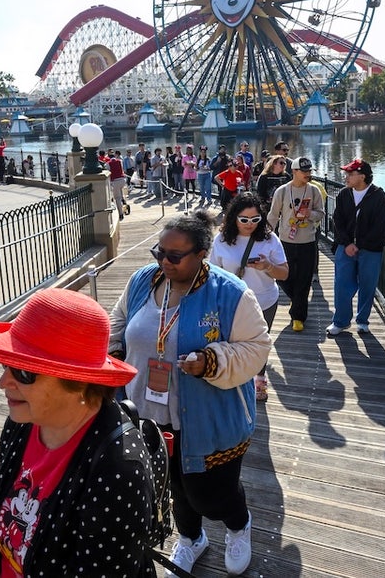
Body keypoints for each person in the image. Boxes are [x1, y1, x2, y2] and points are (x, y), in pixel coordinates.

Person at [108, 211, 271, 576]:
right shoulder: (142, 282)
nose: (164, 261)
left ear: (202, 253)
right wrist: (115, 351)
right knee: (174, 486)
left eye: (174, 256)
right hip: (149, 414)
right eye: (159, 252)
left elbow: (257, 347)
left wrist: (212, 361)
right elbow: (118, 321)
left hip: (210, 418)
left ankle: (237, 524)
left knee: (212, 493)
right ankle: (191, 538)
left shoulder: (231, 294)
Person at [0, 289, 156, 578]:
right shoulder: (22, 421)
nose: (2, 382)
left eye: (24, 372)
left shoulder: (118, 470)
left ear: (79, 382)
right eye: (7, 364)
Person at [208, 192, 289, 402]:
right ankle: (235, 379)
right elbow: (212, 273)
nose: (250, 224)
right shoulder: (222, 240)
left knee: (259, 343)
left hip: (264, 300)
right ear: (234, 217)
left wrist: (267, 266)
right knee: (232, 342)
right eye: (244, 219)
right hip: (231, 303)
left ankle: (260, 378)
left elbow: (285, 273)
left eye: (255, 219)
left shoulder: (270, 239)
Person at [327, 158, 385, 336]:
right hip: (345, 247)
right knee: (341, 284)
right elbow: (337, 220)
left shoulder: (378, 196)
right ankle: (340, 321)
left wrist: (359, 245)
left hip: (370, 249)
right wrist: (347, 243)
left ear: (362, 176)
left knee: (367, 284)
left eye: (350, 174)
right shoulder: (343, 194)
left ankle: (362, 320)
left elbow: (379, 226)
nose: (345, 176)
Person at [266, 157, 325, 332]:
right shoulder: (282, 191)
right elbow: (273, 215)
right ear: (294, 171)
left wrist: (309, 214)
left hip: (307, 241)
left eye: (309, 171)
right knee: (284, 277)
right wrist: (266, 236)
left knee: (304, 279)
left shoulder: (313, 191)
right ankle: (298, 299)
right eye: (304, 171)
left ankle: (298, 317)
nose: (308, 174)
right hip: (286, 240)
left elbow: (320, 213)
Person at [107, 149, 130, 219]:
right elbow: (122, 169)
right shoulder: (120, 161)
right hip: (122, 180)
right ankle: (124, 201)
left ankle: (120, 214)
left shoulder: (108, 163)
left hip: (115, 181)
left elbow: (108, 172)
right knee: (121, 191)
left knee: (117, 198)